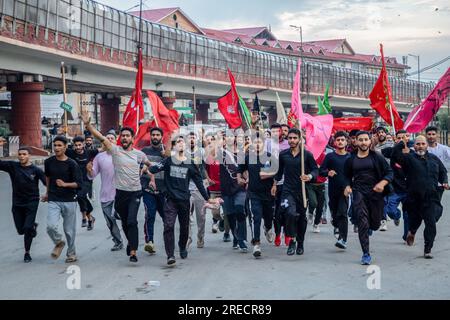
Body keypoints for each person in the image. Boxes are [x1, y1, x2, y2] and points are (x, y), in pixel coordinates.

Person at [82, 110, 152, 263]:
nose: (125, 138)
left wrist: (150, 173)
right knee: (126, 222)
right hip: (120, 194)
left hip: (135, 193)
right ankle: (130, 243)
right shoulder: (115, 150)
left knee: (132, 221)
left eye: (128, 136)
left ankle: (133, 251)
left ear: (133, 139)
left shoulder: (139, 155)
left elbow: (150, 166)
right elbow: (100, 137)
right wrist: (88, 125)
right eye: (123, 136)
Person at [147, 135, 219, 266]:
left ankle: (182, 246)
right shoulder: (168, 161)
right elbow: (153, 169)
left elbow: (199, 183)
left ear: (186, 146)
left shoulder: (191, 164)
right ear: (174, 146)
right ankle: (170, 255)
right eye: (178, 142)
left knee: (184, 227)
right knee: (168, 226)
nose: (180, 144)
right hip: (170, 200)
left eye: (182, 142)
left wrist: (208, 198)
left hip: (184, 200)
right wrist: (146, 169)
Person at [392, 135, 449, 259]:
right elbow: (394, 155)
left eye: (423, 144)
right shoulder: (408, 159)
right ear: (414, 146)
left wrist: (444, 181)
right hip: (414, 198)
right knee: (416, 219)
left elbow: (443, 172)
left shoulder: (434, 159)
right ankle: (412, 231)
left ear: (427, 145)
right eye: (418, 144)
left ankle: (427, 249)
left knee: (431, 222)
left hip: (431, 197)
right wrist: (402, 143)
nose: (420, 146)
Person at [344, 131, 393, 265]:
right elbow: (346, 176)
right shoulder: (351, 159)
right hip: (359, 192)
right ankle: (366, 253)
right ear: (356, 142)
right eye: (361, 140)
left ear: (370, 141)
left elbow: (389, 172)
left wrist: (382, 184)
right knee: (362, 223)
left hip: (375, 193)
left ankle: (372, 226)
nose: (363, 142)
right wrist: (347, 186)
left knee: (375, 224)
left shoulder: (377, 157)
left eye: (366, 139)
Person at [272, 128, 318, 256]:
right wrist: (274, 185)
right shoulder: (283, 154)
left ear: (299, 139)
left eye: (294, 138)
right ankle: (291, 240)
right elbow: (279, 172)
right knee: (290, 214)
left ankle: (300, 242)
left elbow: (315, 170)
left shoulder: (306, 155)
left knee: (301, 218)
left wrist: (309, 176)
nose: (292, 140)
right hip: (287, 191)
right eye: (290, 138)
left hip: (302, 191)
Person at [0, 147, 46, 262]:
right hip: (17, 203)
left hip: (32, 202)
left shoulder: (36, 170)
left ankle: (27, 253)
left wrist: (49, 194)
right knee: (20, 230)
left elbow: (47, 183)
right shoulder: (13, 167)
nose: (21, 156)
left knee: (26, 228)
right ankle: (32, 226)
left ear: (29, 155)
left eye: (24, 154)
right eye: (20, 154)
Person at [42, 135, 83, 263]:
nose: (56, 148)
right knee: (50, 226)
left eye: (59, 145)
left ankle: (71, 253)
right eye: (55, 145)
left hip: (69, 200)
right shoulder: (48, 162)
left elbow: (79, 183)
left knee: (69, 230)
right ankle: (59, 242)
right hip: (54, 198)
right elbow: (48, 177)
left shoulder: (72, 164)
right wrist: (47, 192)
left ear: (65, 147)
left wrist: (65, 184)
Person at [237, 135, 276, 258]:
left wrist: (272, 181)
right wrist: (239, 178)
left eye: (259, 142)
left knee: (268, 217)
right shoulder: (248, 157)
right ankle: (257, 243)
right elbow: (240, 169)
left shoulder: (270, 156)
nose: (257, 144)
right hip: (253, 193)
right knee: (256, 218)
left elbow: (277, 172)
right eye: (255, 142)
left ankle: (268, 228)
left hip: (268, 193)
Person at [86, 132, 124, 252]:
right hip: (106, 195)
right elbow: (92, 175)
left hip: (121, 194)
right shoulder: (99, 157)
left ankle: (131, 241)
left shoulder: (122, 153)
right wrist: (89, 170)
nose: (109, 140)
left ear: (116, 141)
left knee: (126, 219)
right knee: (110, 222)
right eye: (107, 138)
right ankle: (118, 241)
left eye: (112, 138)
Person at [320, 131, 351, 249]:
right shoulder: (330, 157)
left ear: (346, 142)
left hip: (345, 190)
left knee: (342, 213)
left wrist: (350, 186)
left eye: (342, 140)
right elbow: (321, 171)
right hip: (333, 190)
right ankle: (336, 225)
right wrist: (328, 172)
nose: (340, 142)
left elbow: (354, 173)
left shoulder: (350, 157)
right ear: (334, 142)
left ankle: (343, 239)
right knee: (335, 213)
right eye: (338, 140)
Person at [219, 130, 248, 252]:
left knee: (240, 209)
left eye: (232, 137)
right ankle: (235, 235)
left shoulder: (242, 154)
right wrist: (218, 140)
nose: (230, 139)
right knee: (230, 215)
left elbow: (246, 170)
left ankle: (242, 240)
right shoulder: (221, 153)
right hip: (226, 189)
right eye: (227, 137)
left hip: (240, 188)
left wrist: (247, 180)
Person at [381, 130, 410, 242]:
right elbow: (376, 153)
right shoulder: (391, 151)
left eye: (404, 137)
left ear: (407, 138)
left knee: (407, 215)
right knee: (390, 211)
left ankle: (407, 235)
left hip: (408, 190)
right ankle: (397, 216)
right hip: (394, 190)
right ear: (395, 139)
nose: (402, 140)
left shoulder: (411, 153)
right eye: (399, 138)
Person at [140, 127, 166, 255]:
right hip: (147, 190)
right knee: (149, 215)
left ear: (162, 136)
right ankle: (149, 241)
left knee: (167, 218)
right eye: (153, 135)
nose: (155, 137)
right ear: (150, 137)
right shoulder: (144, 151)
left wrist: (165, 156)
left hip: (164, 191)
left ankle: (169, 241)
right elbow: (141, 167)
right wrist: (146, 168)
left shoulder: (167, 152)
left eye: (157, 135)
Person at [66, 136, 98, 230]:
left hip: (86, 180)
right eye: (76, 145)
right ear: (73, 146)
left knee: (81, 196)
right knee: (81, 199)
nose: (78, 147)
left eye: (80, 145)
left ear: (83, 145)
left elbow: (103, 148)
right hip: (75, 182)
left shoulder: (89, 152)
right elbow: (60, 149)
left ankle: (84, 218)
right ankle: (90, 218)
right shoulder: (70, 152)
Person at [269, 123, 291, 246]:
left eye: (278, 132)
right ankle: (277, 233)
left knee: (287, 210)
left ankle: (287, 233)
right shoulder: (266, 144)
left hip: (286, 182)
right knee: (276, 211)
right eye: (273, 132)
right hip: (271, 182)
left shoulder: (288, 144)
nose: (275, 134)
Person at [425, 126, 450, 201]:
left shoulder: (444, 149)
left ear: (437, 135)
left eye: (433, 134)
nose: (431, 136)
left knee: (436, 205)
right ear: (426, 135)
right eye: (429, 134)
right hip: (425, 182)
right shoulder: (422, 148)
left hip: (439, 183)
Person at [307, 151, 327, 233]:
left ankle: (316, 224)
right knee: (313, 202)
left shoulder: (323, 155)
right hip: (310, 183)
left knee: (320, 206)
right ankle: (310, 212)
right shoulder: (308, 154)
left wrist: (320, 169)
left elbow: (326, 170)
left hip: (321, 184)